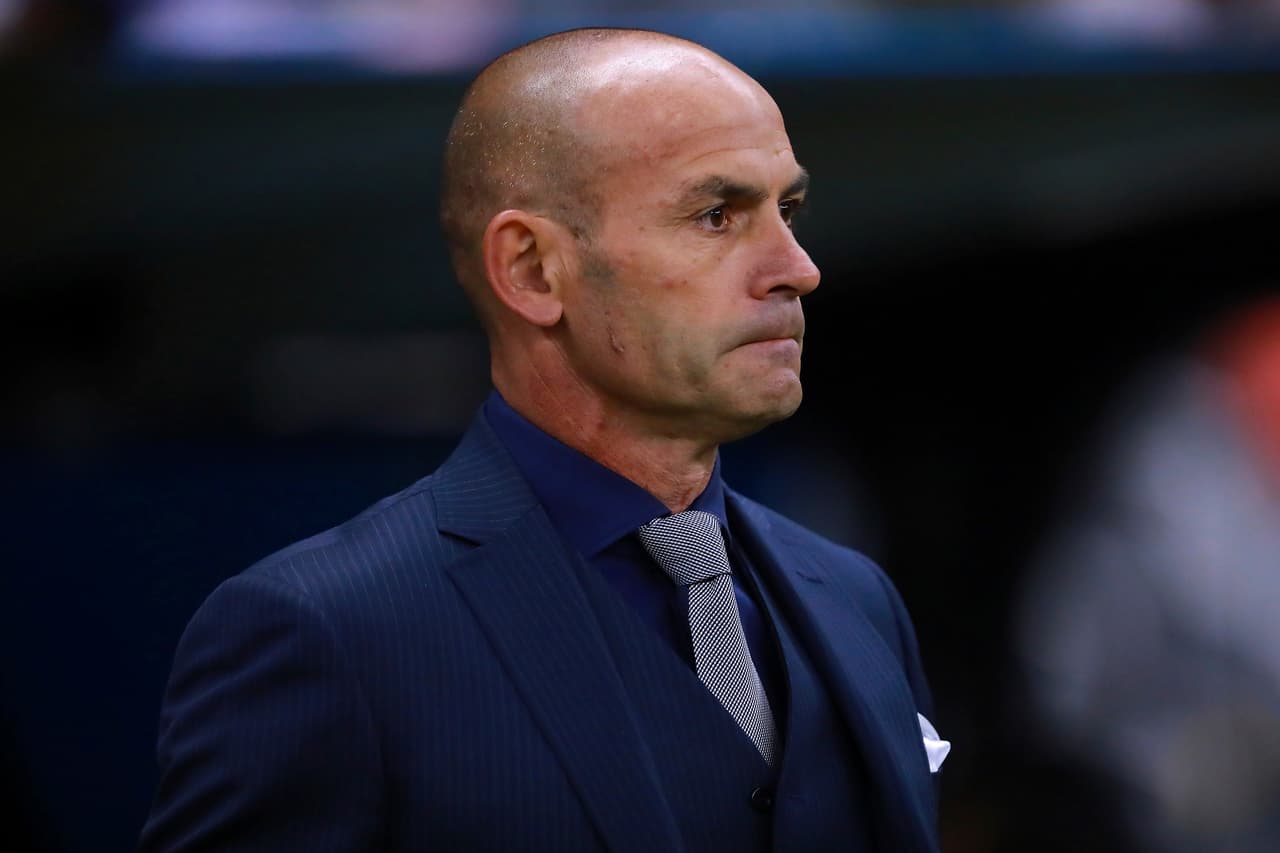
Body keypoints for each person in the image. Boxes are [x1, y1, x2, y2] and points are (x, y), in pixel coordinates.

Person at [139, 27, 945, 852]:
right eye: (715, 215)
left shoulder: (854, 596)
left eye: (790, 209)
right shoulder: (323, 629)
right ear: (530, 269)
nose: (797, 266)